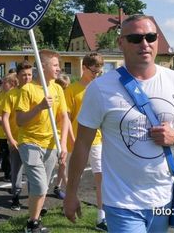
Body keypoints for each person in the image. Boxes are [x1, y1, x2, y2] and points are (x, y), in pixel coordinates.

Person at [64, 15, 174, 233]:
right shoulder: (100, 89)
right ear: (121, 43)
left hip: (163, 197)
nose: (145, 43)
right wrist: (71, 193)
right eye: (136, 38)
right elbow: (82, 144)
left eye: (150, 37)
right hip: (122, 201)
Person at [16, 50, 69, 233]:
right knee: (39, 185)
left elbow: (64, 118)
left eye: (58, 65)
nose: (58, 68)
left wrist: (63, 144)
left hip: (51, 144)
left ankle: (34, 222)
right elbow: (20, 120)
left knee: (43, 187)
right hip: (29, 142)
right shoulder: (27, 89)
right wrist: (39, 107)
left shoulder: (57, 89)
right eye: (55, 65)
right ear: (42, 66)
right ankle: (32, 224)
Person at [63, 52, 107, 231]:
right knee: (73, 179)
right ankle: (69, 203)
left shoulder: (101, 89)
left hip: (97, 141)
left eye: (99, 71)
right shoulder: (72, 90)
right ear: (83, 67)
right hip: (75, 141)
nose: (96, 74)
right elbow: (66, 117)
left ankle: (101, 217)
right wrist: (71, 139)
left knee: (101, 177)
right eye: (93, 71)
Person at [2, 60, 33, 211]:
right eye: (24, 75)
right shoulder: (12, 95)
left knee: (34, 171)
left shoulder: (36, 91)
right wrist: (10, 138)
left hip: (34, 140)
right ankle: (15, 197)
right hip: (16, 140)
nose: (27, 78)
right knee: (17, 170)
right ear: (18, 76)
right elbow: (5, 118)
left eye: (29, 75)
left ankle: (35, 201)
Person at [0, 74, 17, 181]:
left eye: (4, 82)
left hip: (15, 131)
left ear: (12, 84)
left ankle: (13, 173)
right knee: (5, 153)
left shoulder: (17, 95)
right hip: (1, 131)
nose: (2, 84)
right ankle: (8, 173)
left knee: (13, 154)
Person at [52, 74, 73, 201]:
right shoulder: (55, 97)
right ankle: (70, 193)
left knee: (63, 164)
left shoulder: (64, 98)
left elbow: (67, 120)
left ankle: (58, 187)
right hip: (54, 135)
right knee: (62, 163)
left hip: (62, 135)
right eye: (62, 87)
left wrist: (71, 137)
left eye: (66, 88)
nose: (64, 90)